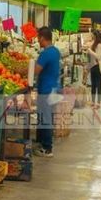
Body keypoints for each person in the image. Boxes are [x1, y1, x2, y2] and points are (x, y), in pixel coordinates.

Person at [33, 26, 61, 158]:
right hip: (54, 88)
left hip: (46, 90)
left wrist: (26, 70)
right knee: (46, 117)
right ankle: (42, 142)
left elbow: (36, 70)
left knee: (45, 118)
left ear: (43, 38)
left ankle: (47, 148)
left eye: (38, 38)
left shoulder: (45, 54)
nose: (38, 41)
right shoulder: (55, 51)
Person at [86, 31, 101, 108]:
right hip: (93, 66)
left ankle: (98, 103)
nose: (92, 37)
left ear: (96, 36)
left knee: (98, 85)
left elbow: (98, 56)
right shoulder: (94, 44)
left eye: (93, 36)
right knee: (93, 85)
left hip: (98, 67)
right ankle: (93, 101)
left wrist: (90, 51)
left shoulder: (100, 45)